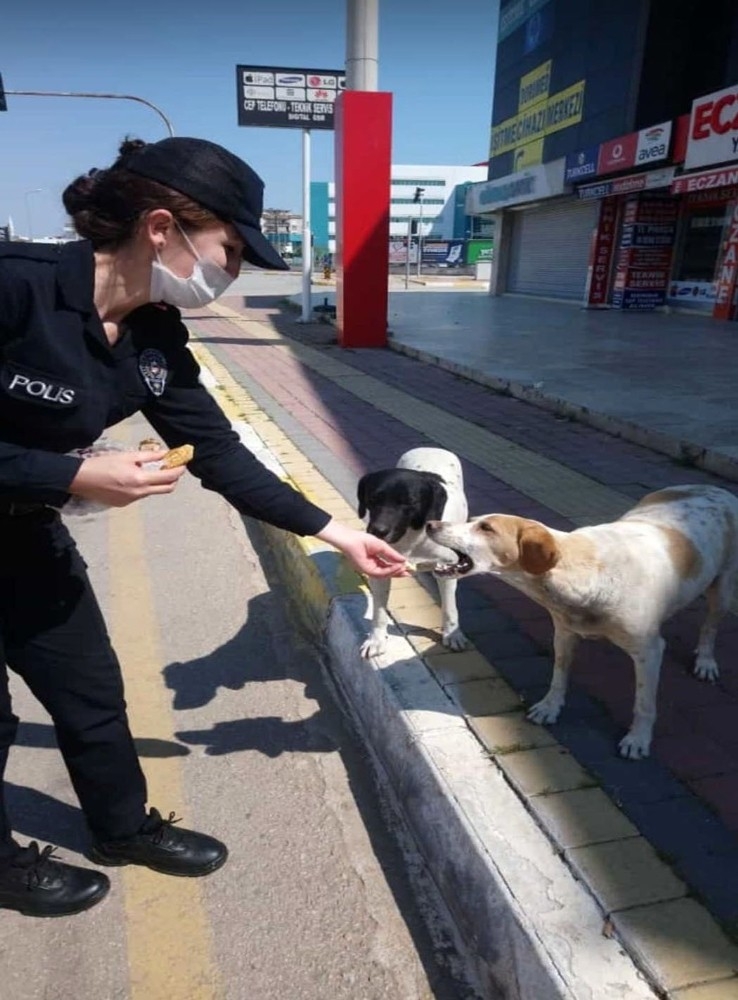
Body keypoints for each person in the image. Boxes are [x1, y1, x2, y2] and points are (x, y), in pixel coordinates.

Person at [0, 135, 407, 918]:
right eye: (228, 249)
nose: (231, 273)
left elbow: (220, 452)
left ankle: (122, 828)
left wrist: (337, 532)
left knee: (89, 691)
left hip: (24, 537)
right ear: (162, 228)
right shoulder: (15, 287)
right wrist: (70, 474)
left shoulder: (153, 336)